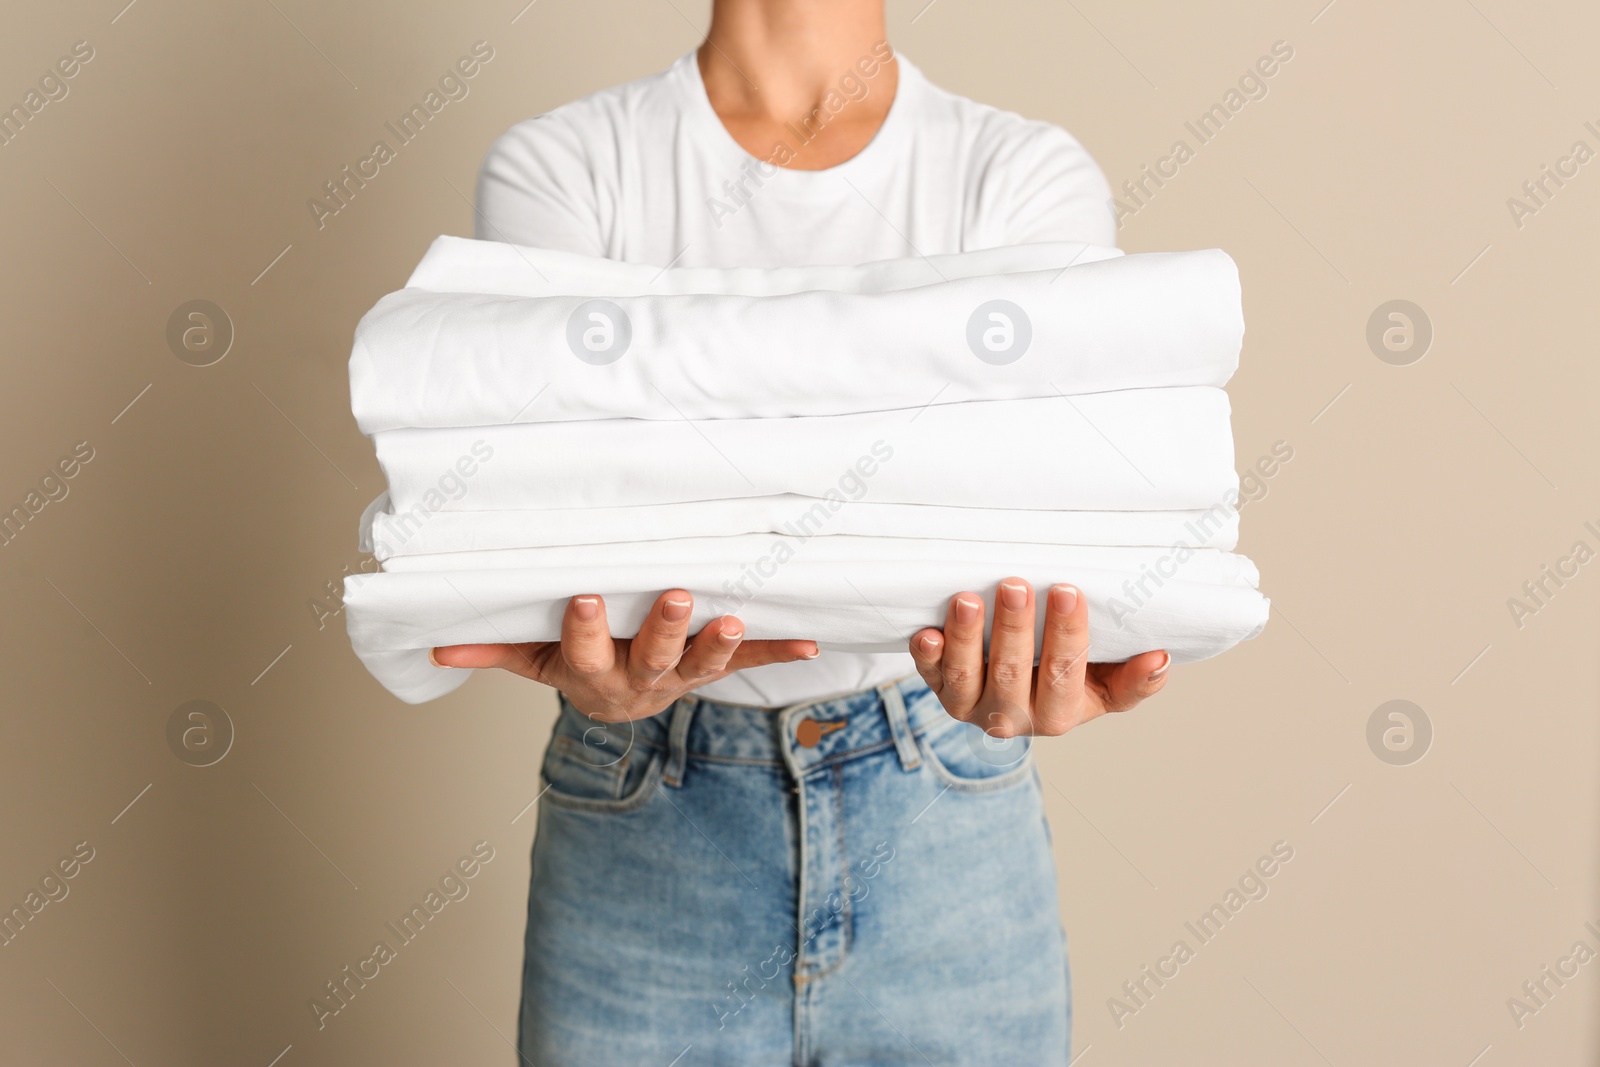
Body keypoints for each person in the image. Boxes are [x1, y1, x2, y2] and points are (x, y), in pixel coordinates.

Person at [432, 1, 1171, 1061]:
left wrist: (1046, 642)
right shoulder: (568, 168)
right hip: (643, 810)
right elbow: (560, 495)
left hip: (944, 819)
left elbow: (1045, 494)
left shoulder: (1018, 175)